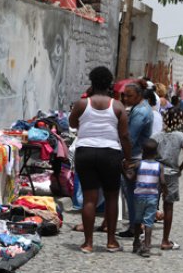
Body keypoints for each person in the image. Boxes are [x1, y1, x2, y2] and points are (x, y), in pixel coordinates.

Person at [68, 66, 132, 254]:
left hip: (86, 152)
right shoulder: (118, 106)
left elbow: (72, 124)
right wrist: (129, 159)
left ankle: (88, 243)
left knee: (89, 198)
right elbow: (125, 135)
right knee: (112, 197)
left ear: (92, 82)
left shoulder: (82, 104)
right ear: (110, 84)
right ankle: (111, 241)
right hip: (110, 153)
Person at [117, 82, 153, 240]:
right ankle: (135, 225)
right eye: (124, 95)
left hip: (134, 156)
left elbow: (130, 138)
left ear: (139, 95)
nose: (125, 98)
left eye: (129, 95)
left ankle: (135, 226)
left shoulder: (139, 112)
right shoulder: (142, 108)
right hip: (136, 155)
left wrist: (126, 158)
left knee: (131, 193)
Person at [152, 110, 183, 250]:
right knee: (168, 207)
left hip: (155, 173)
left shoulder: (156, 136)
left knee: (150, 205)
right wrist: (180, 168)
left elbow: (148, 151)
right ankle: (165, 240)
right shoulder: (181, 136)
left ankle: (145, 238)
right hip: (172, 174)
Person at [132, 139, 167, 258]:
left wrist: (123, 170)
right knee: (148, 222)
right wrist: (165, 192)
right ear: (156, 152)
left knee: (137, 221)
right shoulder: (159, 166)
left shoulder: (138, 164)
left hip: (138, 197)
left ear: (142, 151)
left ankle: (136, 243)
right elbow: (162, 181)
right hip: (152, 197)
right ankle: (146, 247)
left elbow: (131, 178)